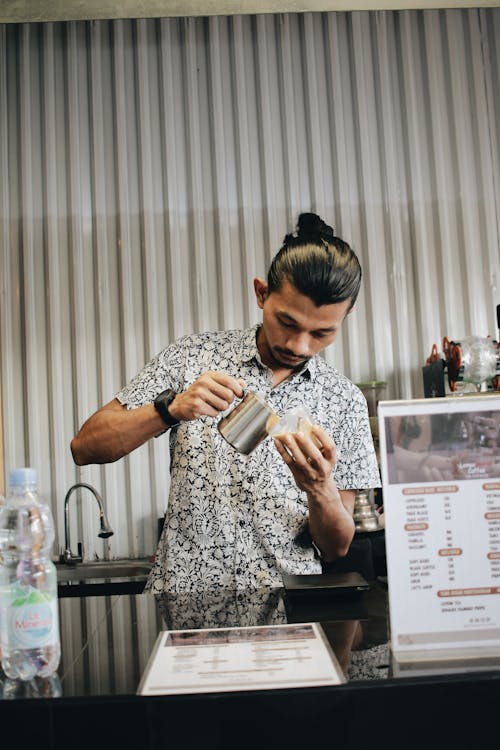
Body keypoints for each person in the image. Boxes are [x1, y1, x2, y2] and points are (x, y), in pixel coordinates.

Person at [71, 212, 380, 596]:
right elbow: (84, 448)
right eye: (287, 322)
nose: (299, 346)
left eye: (322, 333)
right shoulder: (192, 356)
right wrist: (170, 409)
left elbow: (337, 547)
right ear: (261, 293)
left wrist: (319, 488)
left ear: (345, 319)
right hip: (184, 602)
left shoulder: (344, 400)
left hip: (290, 614)